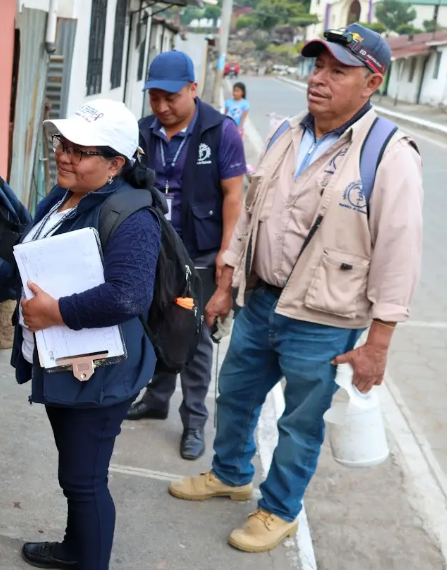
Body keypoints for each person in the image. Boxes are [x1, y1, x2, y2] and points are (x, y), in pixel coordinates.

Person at [169, 24, 423, 553]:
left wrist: (378, 343)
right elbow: (251, 215)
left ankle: (279, 508)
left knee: (300, 424)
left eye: (338, 71)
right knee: (234, 395)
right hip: (262, 300)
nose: (319, 80)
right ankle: (232, 474)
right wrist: (226, 283)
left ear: (371, 83)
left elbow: (400, 253)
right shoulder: (289, 132)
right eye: (317, 66)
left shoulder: (389, 153)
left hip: (326, 319)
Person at [14, 100, 161, 570]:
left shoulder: (132, 216)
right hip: (65, 363)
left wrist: (54, 312)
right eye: (63, 144)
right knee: (74, 474)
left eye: (81, 150)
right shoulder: (61, 199)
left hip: (102, 372)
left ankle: (88, 558)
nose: (64, 155)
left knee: (85, 479)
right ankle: (75, 549)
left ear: (116, 163)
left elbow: (127, 296)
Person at [126, 50, 246, 461]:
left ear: (193, 89)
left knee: (194, 338)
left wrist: (227, 256)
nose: (161, 107)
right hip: (154, 250)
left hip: (200, 252)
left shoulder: (220, 131)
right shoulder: (141, 132)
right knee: (155, 326)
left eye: (170, 97)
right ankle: (156, 399)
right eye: (154, 97)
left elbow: (234, 197)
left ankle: (195, 421)